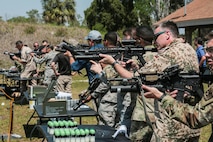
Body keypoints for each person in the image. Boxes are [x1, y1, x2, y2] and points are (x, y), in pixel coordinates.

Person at [98, 21, 201, 141]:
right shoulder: (189, 49)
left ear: (167, 34)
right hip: (190, 118)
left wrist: (113, 63)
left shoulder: (170, 53)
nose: (154, 41)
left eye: (156, 37)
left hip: (173, 123)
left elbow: (133, 78)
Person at [141, 32, 213, 142]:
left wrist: (162, 97)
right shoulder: (188, 48)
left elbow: (197, 118)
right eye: (206, 50)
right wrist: (188, 96)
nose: (206, 55)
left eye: (211, 50)